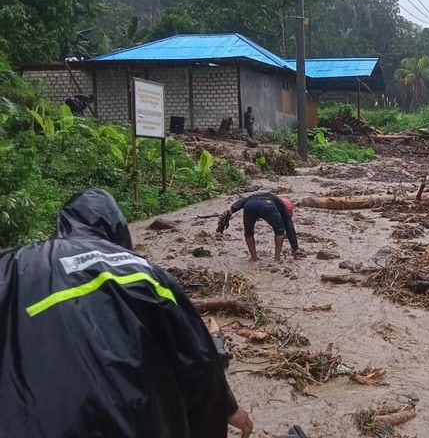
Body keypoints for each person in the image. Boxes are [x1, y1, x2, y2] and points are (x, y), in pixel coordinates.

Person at [0, 188, 253, 438]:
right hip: (139, 421)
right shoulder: (145, 271)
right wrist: (225, 408)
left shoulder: (16, 265)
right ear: (118, 227)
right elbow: (195, 355)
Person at [221, 192, 300, 262]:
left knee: (248, 233)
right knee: (280, 231)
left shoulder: (257, 196)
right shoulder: (281, 205)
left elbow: (241, 201)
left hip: (250, 205)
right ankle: (277, 258)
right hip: (268, 205)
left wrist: (231, 210)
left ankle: (254, 258)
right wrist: (295, 248)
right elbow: (289, 226)